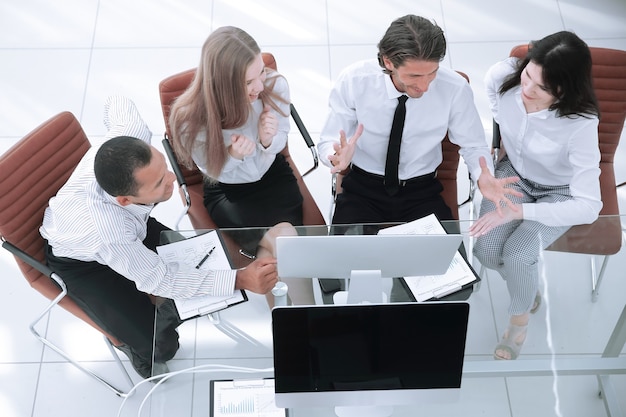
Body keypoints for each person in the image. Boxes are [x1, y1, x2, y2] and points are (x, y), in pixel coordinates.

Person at [40, 96, 279, 379]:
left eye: (163, 166)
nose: (170, 179)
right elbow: (160, 279)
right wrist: (241, 279)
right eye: (159, 183)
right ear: (125, 199)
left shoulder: (131, 132)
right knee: (159, 346)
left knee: (208, 263)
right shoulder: (108, 232)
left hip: (132, 227)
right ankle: (138, 352)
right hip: (83, 261)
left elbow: (116, 101)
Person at [470, 31, 602, 360]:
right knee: (485, 250)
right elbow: (495, 103)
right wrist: (501, 139)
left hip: (559, 191)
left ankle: (520, 318)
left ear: (565, 91)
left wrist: (520, 214)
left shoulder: (582, 123)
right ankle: (527, 286)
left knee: (517, 254)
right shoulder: (503, 75)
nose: (527, 90)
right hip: (513, 173)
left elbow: (589, 207)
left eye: (542, 88)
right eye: (528, 74)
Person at [318, 14, 520, 227]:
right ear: (388, 62)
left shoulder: (454, 88)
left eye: (432, 73)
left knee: (448, 259)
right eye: (414, 76)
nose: (424, 87)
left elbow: (473, 145)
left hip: (422, 191)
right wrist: (335, 158)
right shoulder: (354, 80)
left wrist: (482, 175)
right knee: (344, 258)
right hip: (363, 189)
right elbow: (328, 141)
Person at [168, 26, 313, 305]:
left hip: (273, 177)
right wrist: (233, 154)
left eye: (260, 72)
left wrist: (267, 140)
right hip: (228, 189)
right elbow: (211, 172)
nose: (259, 86)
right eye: (248, 82)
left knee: (281, 243)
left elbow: (279, 139)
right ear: (223, 83)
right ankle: (301, 322)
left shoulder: (274, 85)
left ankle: (292, 325)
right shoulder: (191, 117)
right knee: (284, 243)